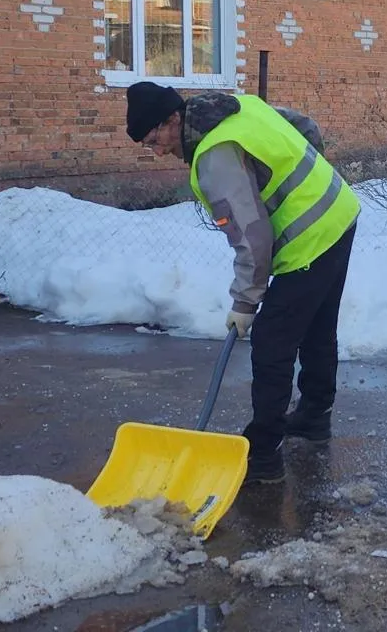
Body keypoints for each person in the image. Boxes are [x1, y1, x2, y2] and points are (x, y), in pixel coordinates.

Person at [125, 82, 360, 484]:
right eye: (148, 145)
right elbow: (305, 127)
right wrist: (309, 178)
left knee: (272, 343)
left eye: (155, 138)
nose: (157, 150)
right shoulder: (237, 107)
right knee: (318, 327)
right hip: (339, 210)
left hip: (310, 239)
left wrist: (245, 303)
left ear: (173, 119)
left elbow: (253, 237)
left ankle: (264, 455)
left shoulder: (215, 158)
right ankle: (315, 415)